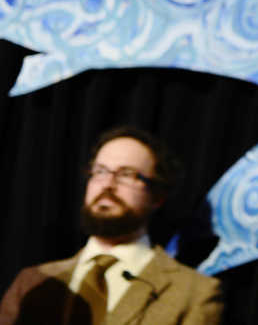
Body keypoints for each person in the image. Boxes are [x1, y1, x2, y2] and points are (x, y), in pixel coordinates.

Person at [0, 127, 223, 325]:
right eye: (100, 171)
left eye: (126, 174)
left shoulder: (194, 292)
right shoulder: (31, 281)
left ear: (158, 197)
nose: (108, 184)